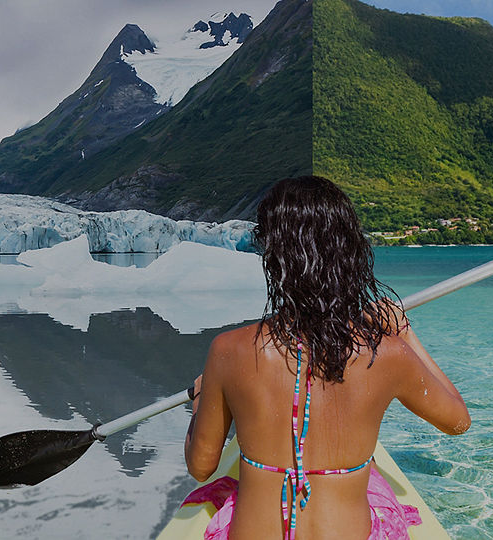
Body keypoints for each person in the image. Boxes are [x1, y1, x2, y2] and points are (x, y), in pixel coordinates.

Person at [183, 176, 471, 540]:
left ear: (272, 257)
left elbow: (201, 466)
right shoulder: (387, 353)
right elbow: (458, 421)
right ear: (349, 252)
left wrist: (199, 401)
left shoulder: (228, 351)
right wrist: (404, 334)